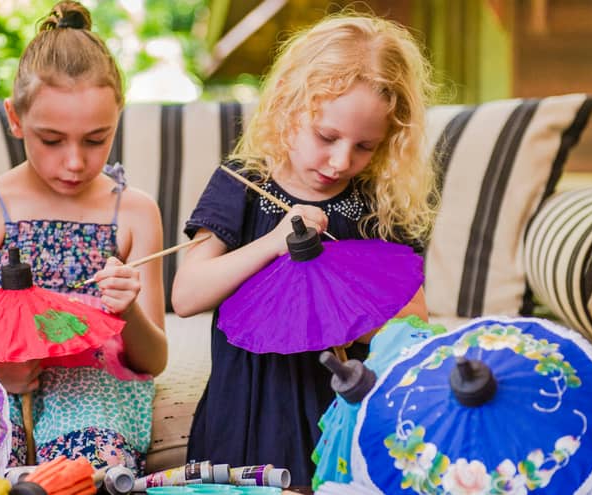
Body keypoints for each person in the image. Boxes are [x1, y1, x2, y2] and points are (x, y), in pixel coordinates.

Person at [170, 13, 438, 485]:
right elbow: (187, 295)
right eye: (327, 137)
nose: (341, 161)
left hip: (338, 411)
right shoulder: (243, 183)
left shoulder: (375, 204)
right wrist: (274, 243)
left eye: (365, 146)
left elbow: (413, 323)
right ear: (287, 105)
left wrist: (347, 314)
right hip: (246, 408)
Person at [0, 1, 167, 475]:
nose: (74, 162)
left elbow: (153, 359)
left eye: (96, 139)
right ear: (15, 119)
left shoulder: (133, 212)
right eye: (52, 140)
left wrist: (128, 310)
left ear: (117, 118)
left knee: (85, 471)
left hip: (97, 391)